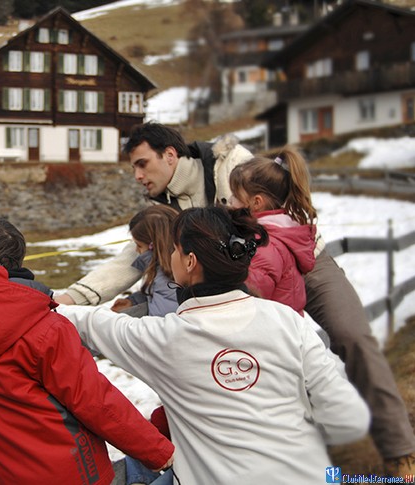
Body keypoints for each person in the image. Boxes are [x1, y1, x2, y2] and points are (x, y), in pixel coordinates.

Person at [54, 122, 415, 474]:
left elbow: (272, 200)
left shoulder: (227, 164)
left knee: (352, 336)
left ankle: (400, 448)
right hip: (246, 276)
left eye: (141, 163)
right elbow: (130, 260)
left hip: (298, 257)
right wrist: (71, 297)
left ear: (169, 155)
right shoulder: (165, 206)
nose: (137, 175)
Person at [58, 206, 370, 484]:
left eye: (176, 250)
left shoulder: (160, 338)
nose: (170, 256)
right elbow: (350, 419)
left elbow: (88, 322)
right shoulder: (287, 321)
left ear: (190, 261)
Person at [0, 217, 174, 485]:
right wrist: (159, 453)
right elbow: (95, 400)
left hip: (5, 475)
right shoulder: (45, 328)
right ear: (18, 261)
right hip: (75, 472)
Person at [228, 146, 316, 315]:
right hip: (280, 329)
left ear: (256, 202)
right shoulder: (276, 232)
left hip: (273, 334)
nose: (230, 201)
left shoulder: (265, 245)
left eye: (236, 196)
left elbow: (248, 298)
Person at [111, 205, 180, 318]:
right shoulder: (170, 274)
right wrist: (134, 301)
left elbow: (158, 325)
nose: (136, 250)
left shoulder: (165, 280)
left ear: (153, 246)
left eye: (139, 245)